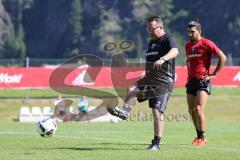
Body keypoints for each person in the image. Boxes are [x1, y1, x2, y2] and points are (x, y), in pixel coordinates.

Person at [107, 16, 179, 150]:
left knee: (156, 111)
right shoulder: (151, 42)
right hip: (150, 78)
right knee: (132, 87)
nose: (149, 32)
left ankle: (156, 144)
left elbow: (175, 51)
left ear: (160, 27)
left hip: (163, 80)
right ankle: (125, 112)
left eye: (151, 29)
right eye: (148, 29)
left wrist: (163, 59)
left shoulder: (168, 38)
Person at [185, 20, 227, 146]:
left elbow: (223, 57)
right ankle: (199, 136)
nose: (190, 35)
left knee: (198, 108)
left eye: (192, 32)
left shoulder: (207, 43)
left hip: (203, 80)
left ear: (199, 31)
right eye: (188, 32)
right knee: (191, 110)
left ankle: (202, 138)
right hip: (191, 81)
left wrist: (213, 74)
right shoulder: (187, 45)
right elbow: (188, 60)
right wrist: (189, 74)